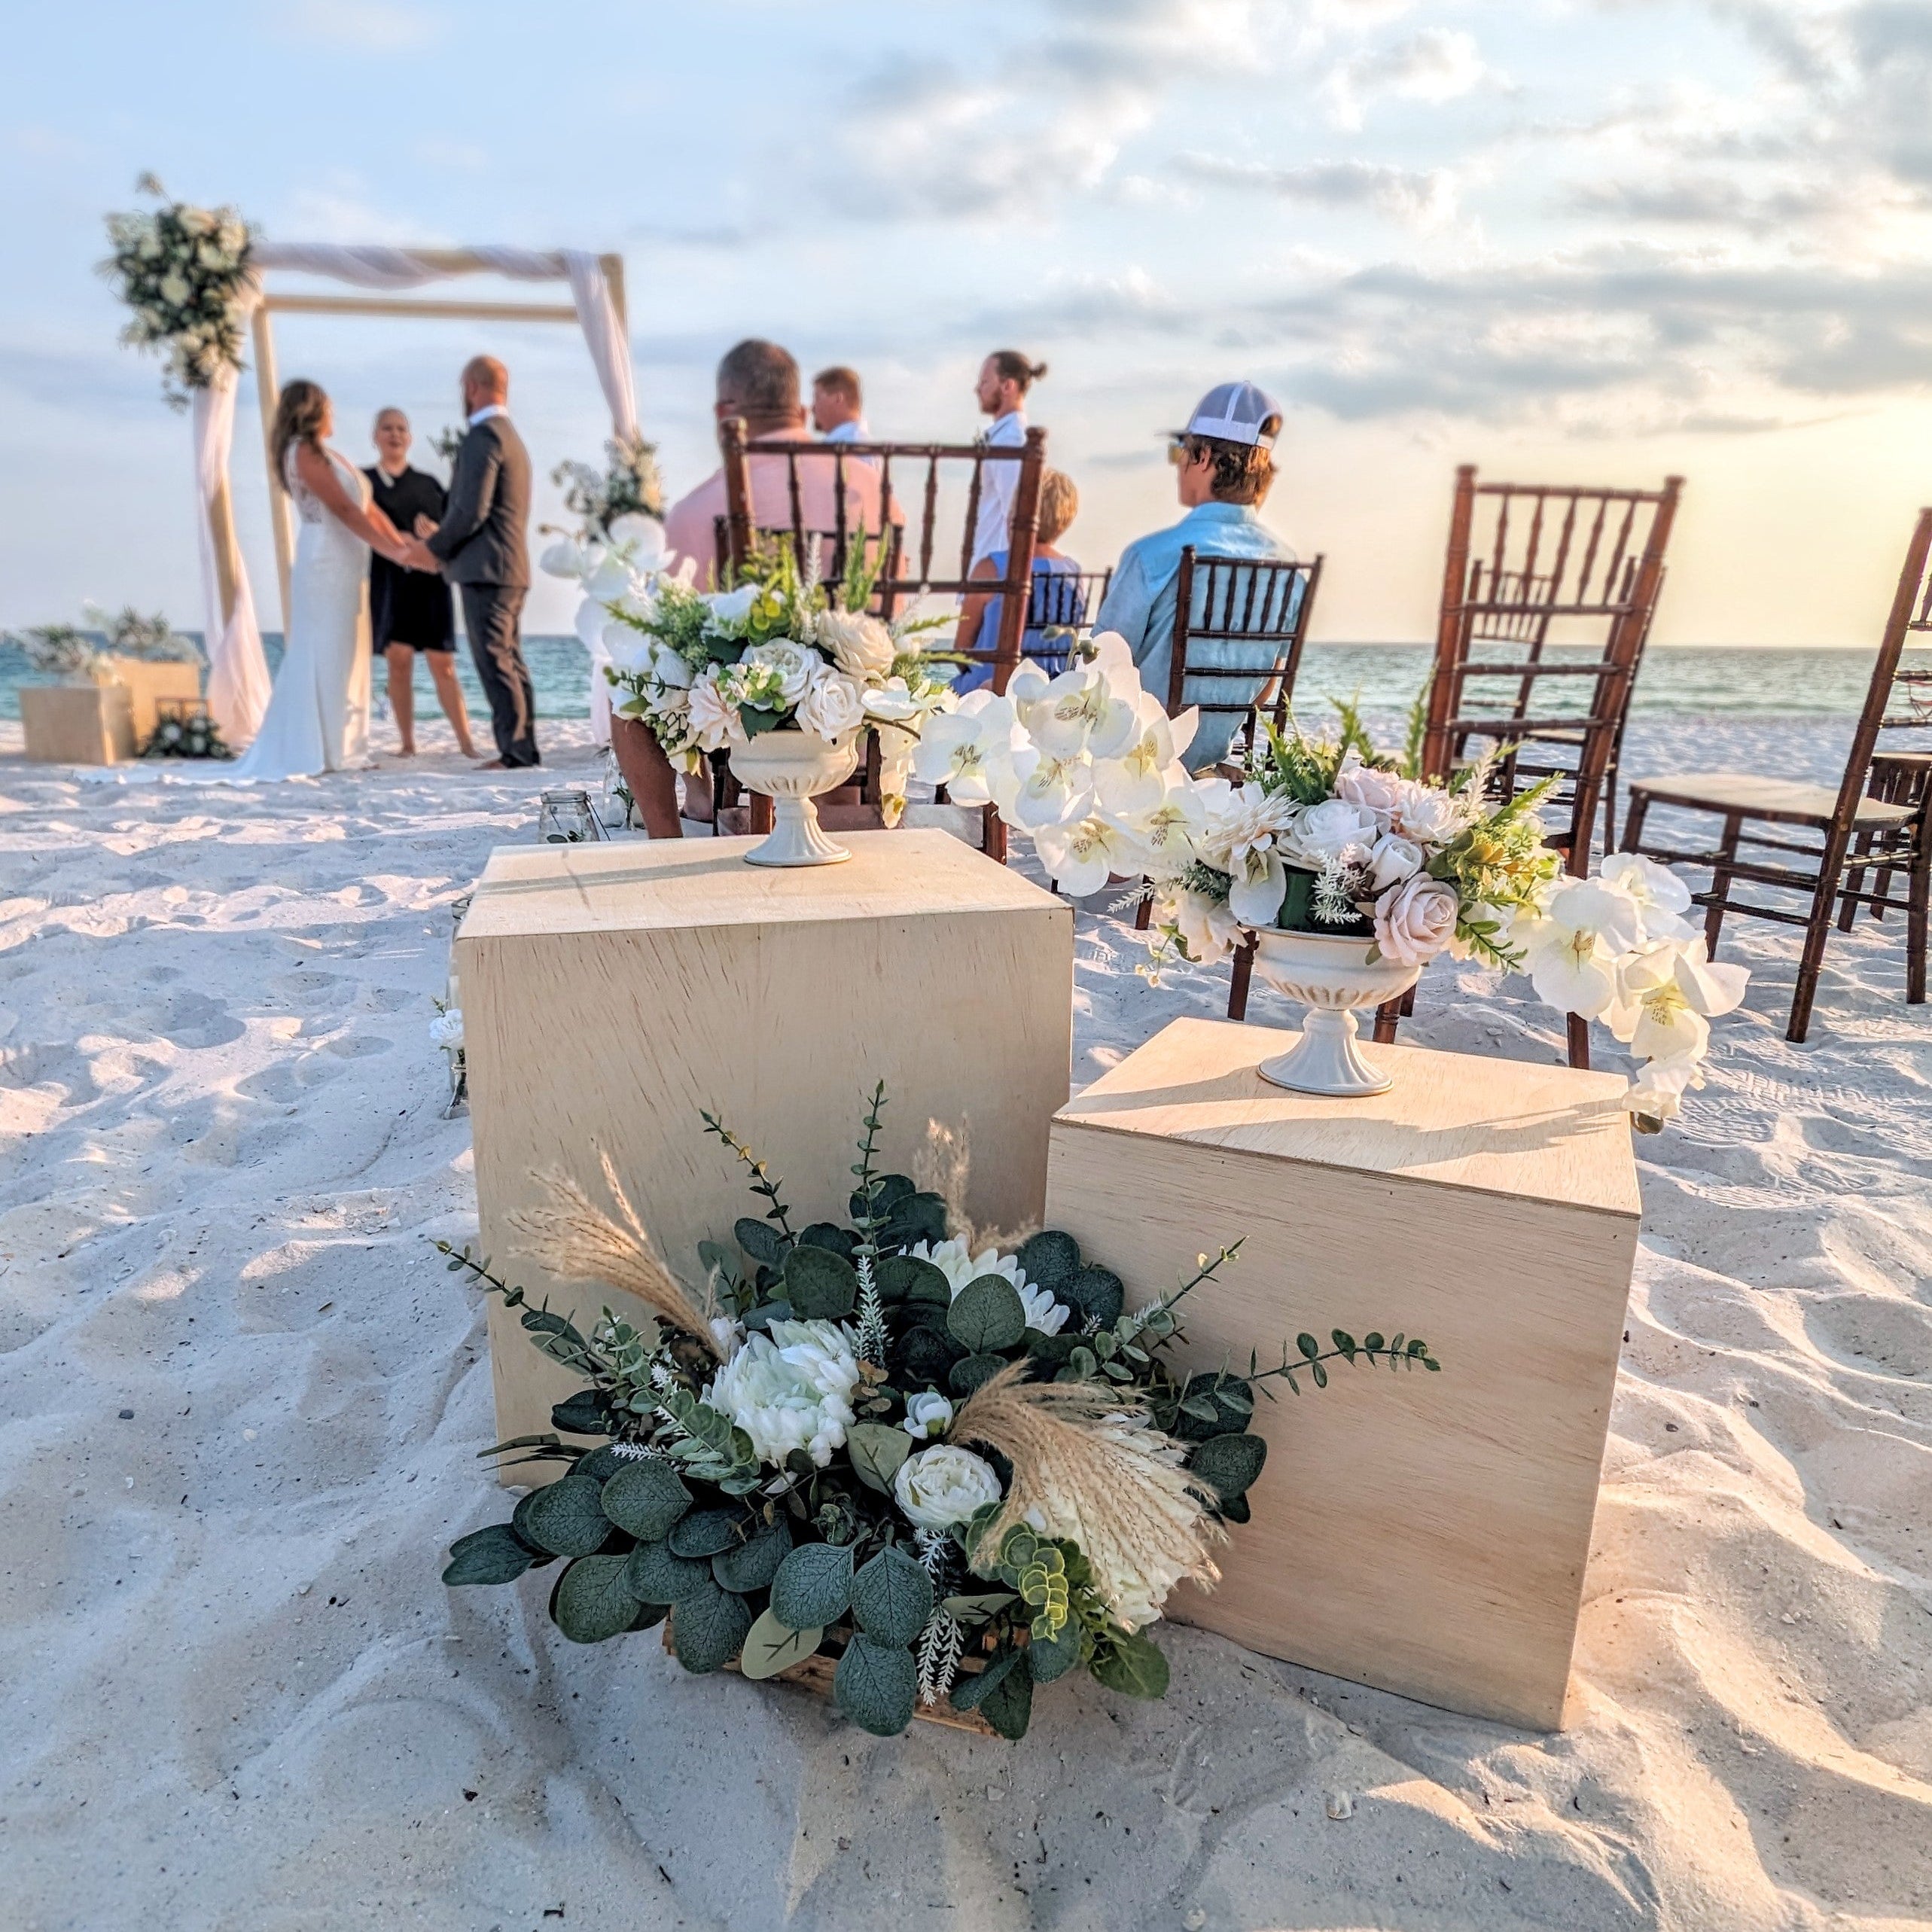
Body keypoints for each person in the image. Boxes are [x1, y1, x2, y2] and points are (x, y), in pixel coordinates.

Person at [637, 342, 900, 838]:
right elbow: (895, 612)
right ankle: (844, 804)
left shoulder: (698, 510)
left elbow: (669, 637)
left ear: (724, 416)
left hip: (750, 712)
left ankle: (668, 839)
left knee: (626, 681)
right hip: (857, 700)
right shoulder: (872, 488)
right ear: (800, 411)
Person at [1094, 380, 1300, 772]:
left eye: (1180, 453)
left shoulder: (1152, 555)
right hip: (1213, 771)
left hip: (1135, 768)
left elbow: (1100, 668)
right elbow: (1266, 691)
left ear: (1203, 457)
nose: (1178, 466)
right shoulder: (1287, 566)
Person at [221, 379, 409, 782]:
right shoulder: (302, 452)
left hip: (349, 563)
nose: (333, 414)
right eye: (328, 407)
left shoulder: (329, 455)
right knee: (326, 648)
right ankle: (325, 748)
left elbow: (369, 507)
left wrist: (402, 546)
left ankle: (348, 746)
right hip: (325, 561)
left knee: (349, 649)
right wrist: (392, 551)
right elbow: (342, 509)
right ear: (312, 411)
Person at [398, 356, 538, 769]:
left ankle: (515, 753)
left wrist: (433, 548)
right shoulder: (510, 436)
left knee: (495, 659)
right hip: (508, 567)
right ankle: (522, 748)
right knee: (510, 658)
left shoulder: (484, 436)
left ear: (473, 387)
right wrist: (439, 531)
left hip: (488, 569)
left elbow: (472, 512)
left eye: (463, 387)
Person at [364, 408, 477, 759]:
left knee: (443, 663)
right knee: (398, 660)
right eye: (387, 428)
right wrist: (393, 540)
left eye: (401, 428)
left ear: (409, 438)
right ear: (376, 435)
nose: (394, 434)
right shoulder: (364, 482)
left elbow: (450, 533)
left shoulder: (429, 484)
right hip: (389, 583)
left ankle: (467, 743)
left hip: (430, 584)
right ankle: (407, 743)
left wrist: (434, 535)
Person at [952, 468, 1087, 689]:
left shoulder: (991, 569)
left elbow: (961, 650)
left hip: (989, 689)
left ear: (1018, 515)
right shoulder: (1074, 574)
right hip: (1051, 692)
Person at [969, 349, 1047, 568]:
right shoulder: (1005, 436)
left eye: (985, 382)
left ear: (1007, 386)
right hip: (990, 568)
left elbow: (1016, 513)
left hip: (996, 574)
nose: (977, 389)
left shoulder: (1011, 440)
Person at [812, 365, 870, 448]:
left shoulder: (848, 444)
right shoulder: (858, 439)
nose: (813, 407)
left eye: (817, 398)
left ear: (838, 399)